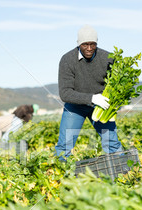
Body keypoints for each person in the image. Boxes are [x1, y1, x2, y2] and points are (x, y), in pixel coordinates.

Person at [55, 24, 124, 160]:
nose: (89, 48)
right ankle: (60, 175)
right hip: (75, 107)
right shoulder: (67, 60)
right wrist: (92, 98)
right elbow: (65, 93)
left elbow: (118, 85)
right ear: (78, 44)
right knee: (64, 146)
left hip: (101, 106)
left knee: (112, 143)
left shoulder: (108, 58)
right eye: (85, 44)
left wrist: (115, 105)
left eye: (93, 44)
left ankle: (122, 173)